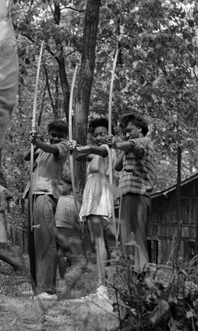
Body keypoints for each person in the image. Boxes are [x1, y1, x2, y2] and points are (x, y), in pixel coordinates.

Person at [70, 117, 117, 309]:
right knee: (98, 241)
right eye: (96, 134)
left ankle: (102, 287)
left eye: (102, 134)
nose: (98, 137)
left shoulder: (108, 149)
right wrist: (75, 148)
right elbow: (79, 156)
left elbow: (90, 150)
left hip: (100, 191)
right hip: (93, 190)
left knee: (99, 241)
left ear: (109, 134)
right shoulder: (95, 152)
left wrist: (80, 147)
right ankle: (103, 285)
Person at [25, 119, 70, 299]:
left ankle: (48, 288)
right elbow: (26, 157)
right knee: (34, 243)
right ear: (48, 134)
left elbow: (53, 149)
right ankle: (38, 286)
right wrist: (35, 143)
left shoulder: (64, 146)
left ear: (65, 137)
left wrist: (40, 143)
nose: (56, 138)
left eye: (60, 136)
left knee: (45, 240)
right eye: (53, 135)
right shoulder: (42, 149)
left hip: (46, 193)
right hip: (32, 194)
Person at [111, 113, 156, 271]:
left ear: (141, 129)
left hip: (136, 194)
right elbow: (117, 166)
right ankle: (130, 277)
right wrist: (119, 146)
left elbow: (135, 146)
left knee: (136, 238)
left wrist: (118, 143)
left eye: (130, 130)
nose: (127, 134)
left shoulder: (143, 141)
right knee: (126, 238)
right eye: (125, 131)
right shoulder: (129, 146)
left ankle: (142, 274)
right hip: (128, 195)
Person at [54, 173, 84, 279]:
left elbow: (79, 218)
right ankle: (63, 278)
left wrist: (76, 225)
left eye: (62, 184)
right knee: (59, 255)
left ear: (70, 186)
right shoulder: (58, 199)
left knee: (75, 255)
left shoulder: (74, 201)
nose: (59, 187)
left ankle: (76, 277)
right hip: (59, 230)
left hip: (70, 232)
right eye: (58, 185)